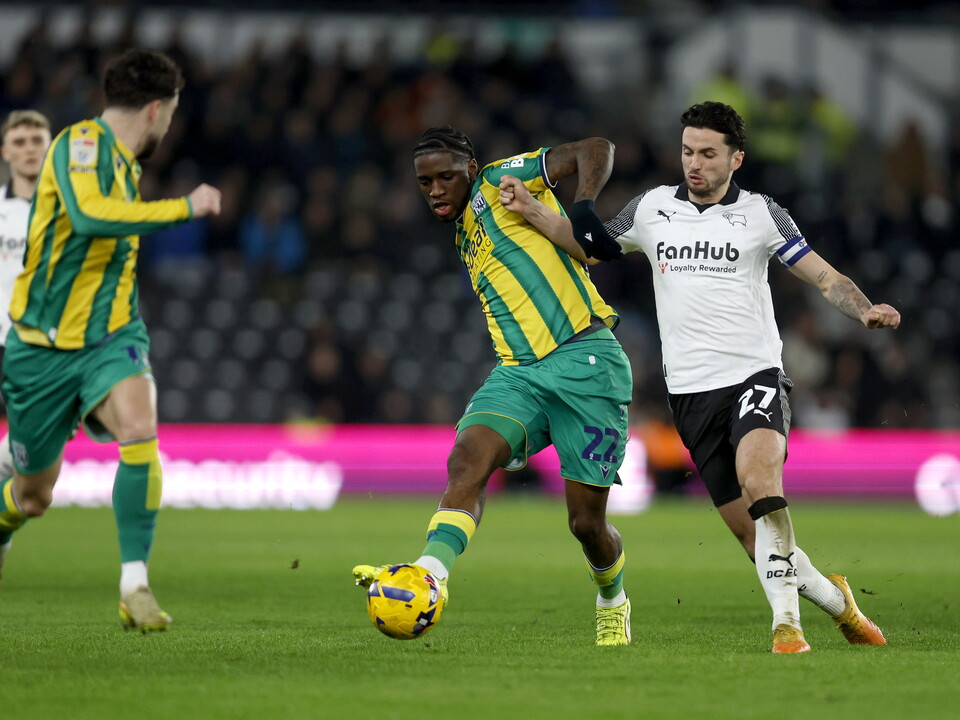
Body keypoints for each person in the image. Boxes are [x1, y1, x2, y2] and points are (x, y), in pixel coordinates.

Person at [498, 101, 897, 653]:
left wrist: (865, 308)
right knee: (753, 536)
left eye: (708, 154)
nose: (695, 163)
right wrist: (530, 211)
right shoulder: (652, 208)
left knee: (761, 481)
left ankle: (788, 627)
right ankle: (839, 604)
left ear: (736, 159)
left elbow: (823, 275)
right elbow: (589, 249)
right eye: (688, 151)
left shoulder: (763, 213)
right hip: (690, 395)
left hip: (755, 375)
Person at [353, 126, 635, 645]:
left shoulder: (502, 180)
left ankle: (612, 597)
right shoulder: (463, 233)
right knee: (467, 460)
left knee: (585, 525)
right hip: (518, 373)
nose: (436, 189)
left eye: (446, 177)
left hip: (586, 362)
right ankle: (430, 574)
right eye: (425, 182)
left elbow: (597, 148)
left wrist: (586, 205)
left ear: (472, 170)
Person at [0, 48, 221, 632]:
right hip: (41, 349)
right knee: (31, 498)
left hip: (112, 336)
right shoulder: (79, 145)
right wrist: (185, 207)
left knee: (140, 427)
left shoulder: (126, 166)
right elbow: (90, 216)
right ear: (156, 109)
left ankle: (134, 585)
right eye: (170, 114)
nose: (169, 125)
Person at [0, 110, 52, 486]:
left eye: (37, 140)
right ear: (5, 152)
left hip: (45, 346)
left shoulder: (72, 212)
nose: (29, 149)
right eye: (20, 142)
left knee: (31, 463)